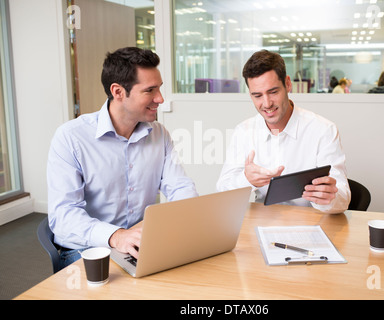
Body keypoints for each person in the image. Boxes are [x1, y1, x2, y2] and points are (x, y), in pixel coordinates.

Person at [47, 47, 198, 268]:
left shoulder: (159, 134)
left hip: (137, 244)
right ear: (118, 92)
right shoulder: (71, 138)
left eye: (160, 88)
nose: (160, 98)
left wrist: (187, 220)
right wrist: (117, 236)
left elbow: (180, 187)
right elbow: (63, 216)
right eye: (150, 90)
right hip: (86, 250)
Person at [216, 50, 350, 214]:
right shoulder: (244, 132)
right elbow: (222, 191)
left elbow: (343, 198)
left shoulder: (323, 130)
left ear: (287, 84)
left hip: (311, 223)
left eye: (273, 92)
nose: (266, 104)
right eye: (257, 95)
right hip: (262, 222)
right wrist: (247, 179)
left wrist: (329, 198)